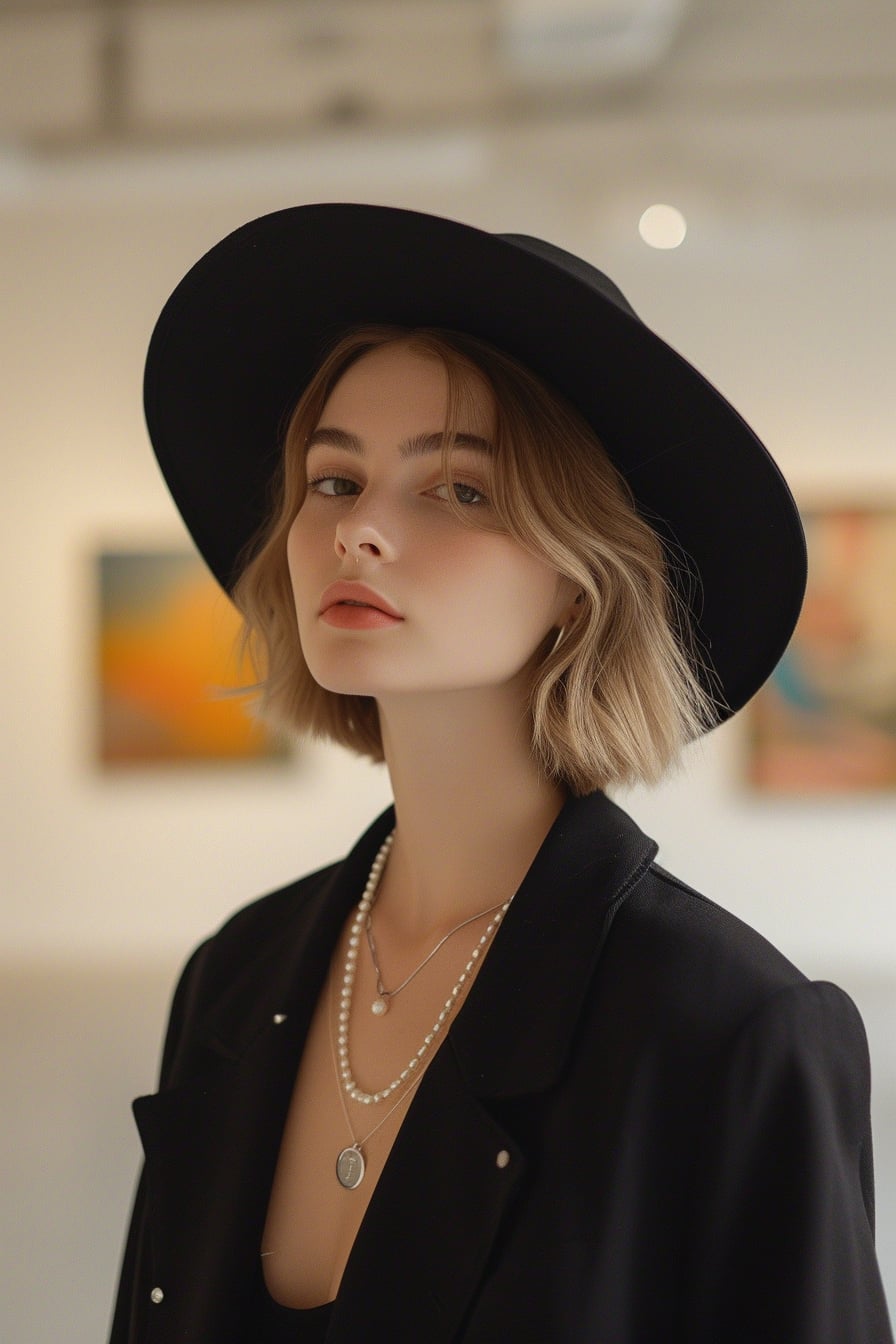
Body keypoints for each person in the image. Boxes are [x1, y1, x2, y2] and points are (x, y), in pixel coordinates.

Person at [110, 204, 893, 1343]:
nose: (358, 531)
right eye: (333, 480)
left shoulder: (726, 1031)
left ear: (581, 577)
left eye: (456, 489)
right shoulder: (234, 977)